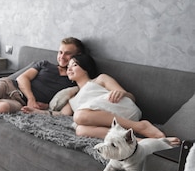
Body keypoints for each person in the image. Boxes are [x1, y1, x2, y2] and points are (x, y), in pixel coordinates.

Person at [21, 54, 172, 140]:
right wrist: (35, 111)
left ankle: (141, 126)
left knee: (79, 116)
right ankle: (135, 140)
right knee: (80, 130)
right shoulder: (73, 98)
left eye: (74, 65)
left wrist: (122, 93)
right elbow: (60, 115)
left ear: (85, 68)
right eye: (68, 67)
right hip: (101, 120)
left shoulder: (100, 79)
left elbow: (131, 97)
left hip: (120, 109)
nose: (70, 68)